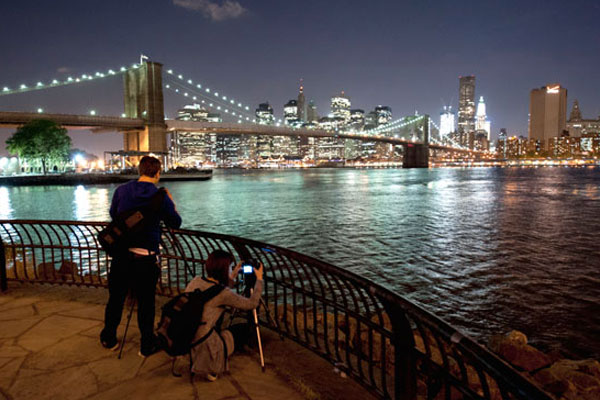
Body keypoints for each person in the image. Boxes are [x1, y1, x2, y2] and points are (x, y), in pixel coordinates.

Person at [100, 156, 182, 357]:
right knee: (146, 303)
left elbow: (114, 215)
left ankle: (108, 337)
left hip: (121, 256)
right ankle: (146, 345)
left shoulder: (121, 190)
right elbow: (175, 223)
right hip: (145, 258)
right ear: (158, 173)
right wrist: (170, 202)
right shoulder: (160, 197)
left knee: (116, 299)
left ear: (138, 170)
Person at [184, 250, 263, 381]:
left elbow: (215, 288)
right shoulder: (223, 294)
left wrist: (233, 274)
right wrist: (259, 279)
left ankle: (201, 358)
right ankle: (212, 365)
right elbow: (252, 303)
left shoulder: (196, 281)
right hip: (205, 344)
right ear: (223, 270)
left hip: (188, 338)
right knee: (243, 330)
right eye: (230, 267)